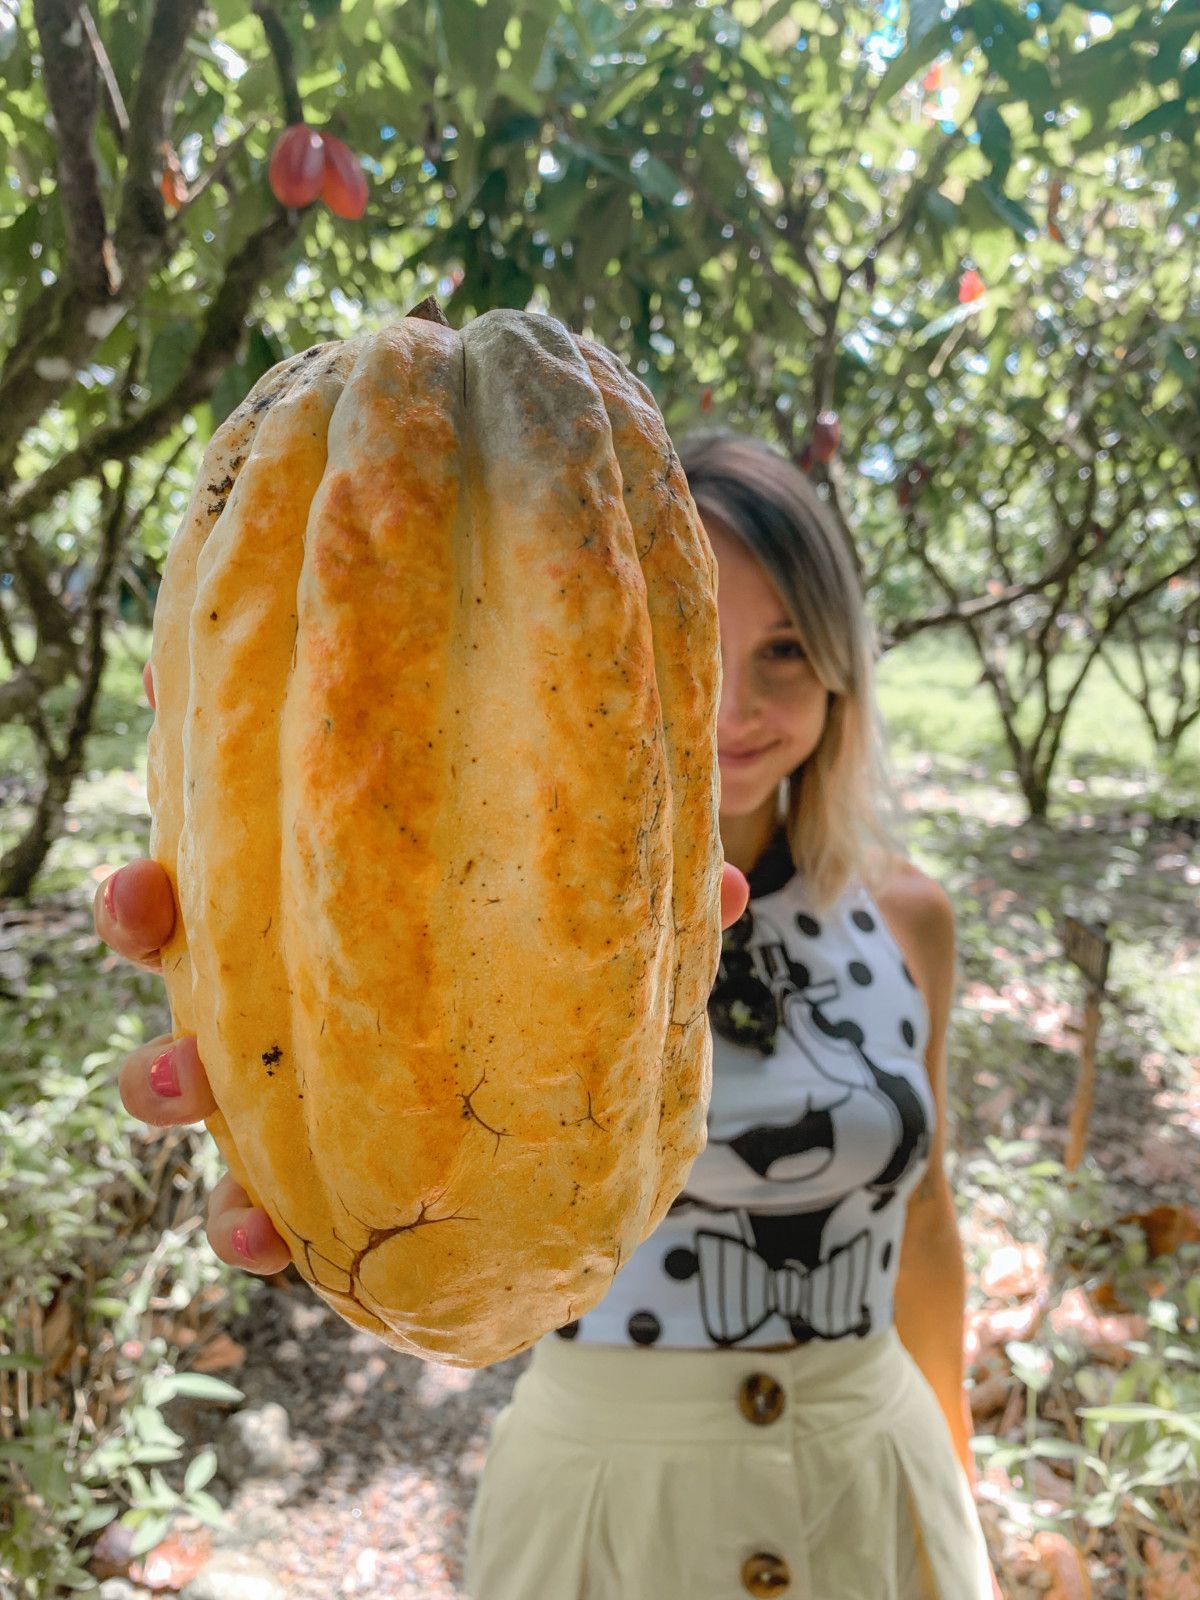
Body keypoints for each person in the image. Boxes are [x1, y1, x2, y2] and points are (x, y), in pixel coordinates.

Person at [97, 430, 999, 1599]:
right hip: (607, 1511)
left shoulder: (908, 918)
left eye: (784, 649)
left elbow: (924, 1221)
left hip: (874, 1487)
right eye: (697, 638)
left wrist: (955, 1479)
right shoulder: (496, 919)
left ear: (840, 667)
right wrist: (297, 1118)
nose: (738, 702)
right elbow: (435, 1203)